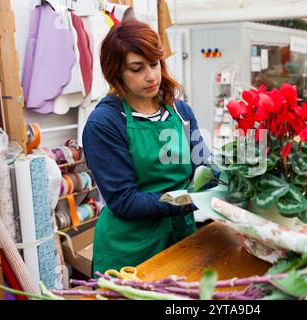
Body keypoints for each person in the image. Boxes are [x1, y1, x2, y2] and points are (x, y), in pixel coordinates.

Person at [83, 19, 212, 275]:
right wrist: (193, 200)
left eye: (154, 64)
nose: (151, 76)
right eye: (136, 68)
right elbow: (124, 201)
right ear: (116, 72)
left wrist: (232, 182)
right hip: (131, 248)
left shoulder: (180, 111)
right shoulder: (105, 123)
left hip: (181, 236)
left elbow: (204, 169)